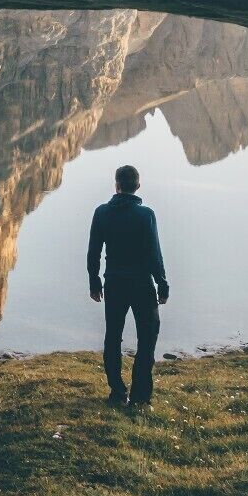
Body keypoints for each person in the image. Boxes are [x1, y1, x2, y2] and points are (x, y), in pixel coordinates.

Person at [86, 164, 169, 407]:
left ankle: (117, 392)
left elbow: (94, 251)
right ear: (138, 187)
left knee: (113, 337)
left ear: (117, 185)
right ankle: (141, 397)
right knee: (147, 338)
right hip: (142, 284)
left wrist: (94, 280)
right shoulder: (146, 215)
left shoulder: (101, 213)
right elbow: (154, 253)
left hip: (114, 283)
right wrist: (162, 283)